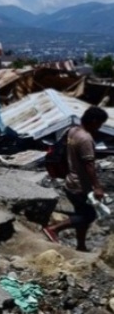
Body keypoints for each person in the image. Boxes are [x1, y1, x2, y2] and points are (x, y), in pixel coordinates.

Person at [43, 106, 109, 252]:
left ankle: (81, 246)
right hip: (80, 185)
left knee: (82, 213)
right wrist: (97, 186)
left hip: (70, 180)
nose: (99, 127)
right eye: (99, 124)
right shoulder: (86, 139)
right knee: (89, 215)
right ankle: (53, 229)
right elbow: (89, 165)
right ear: (93, 121)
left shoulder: (73, 130)